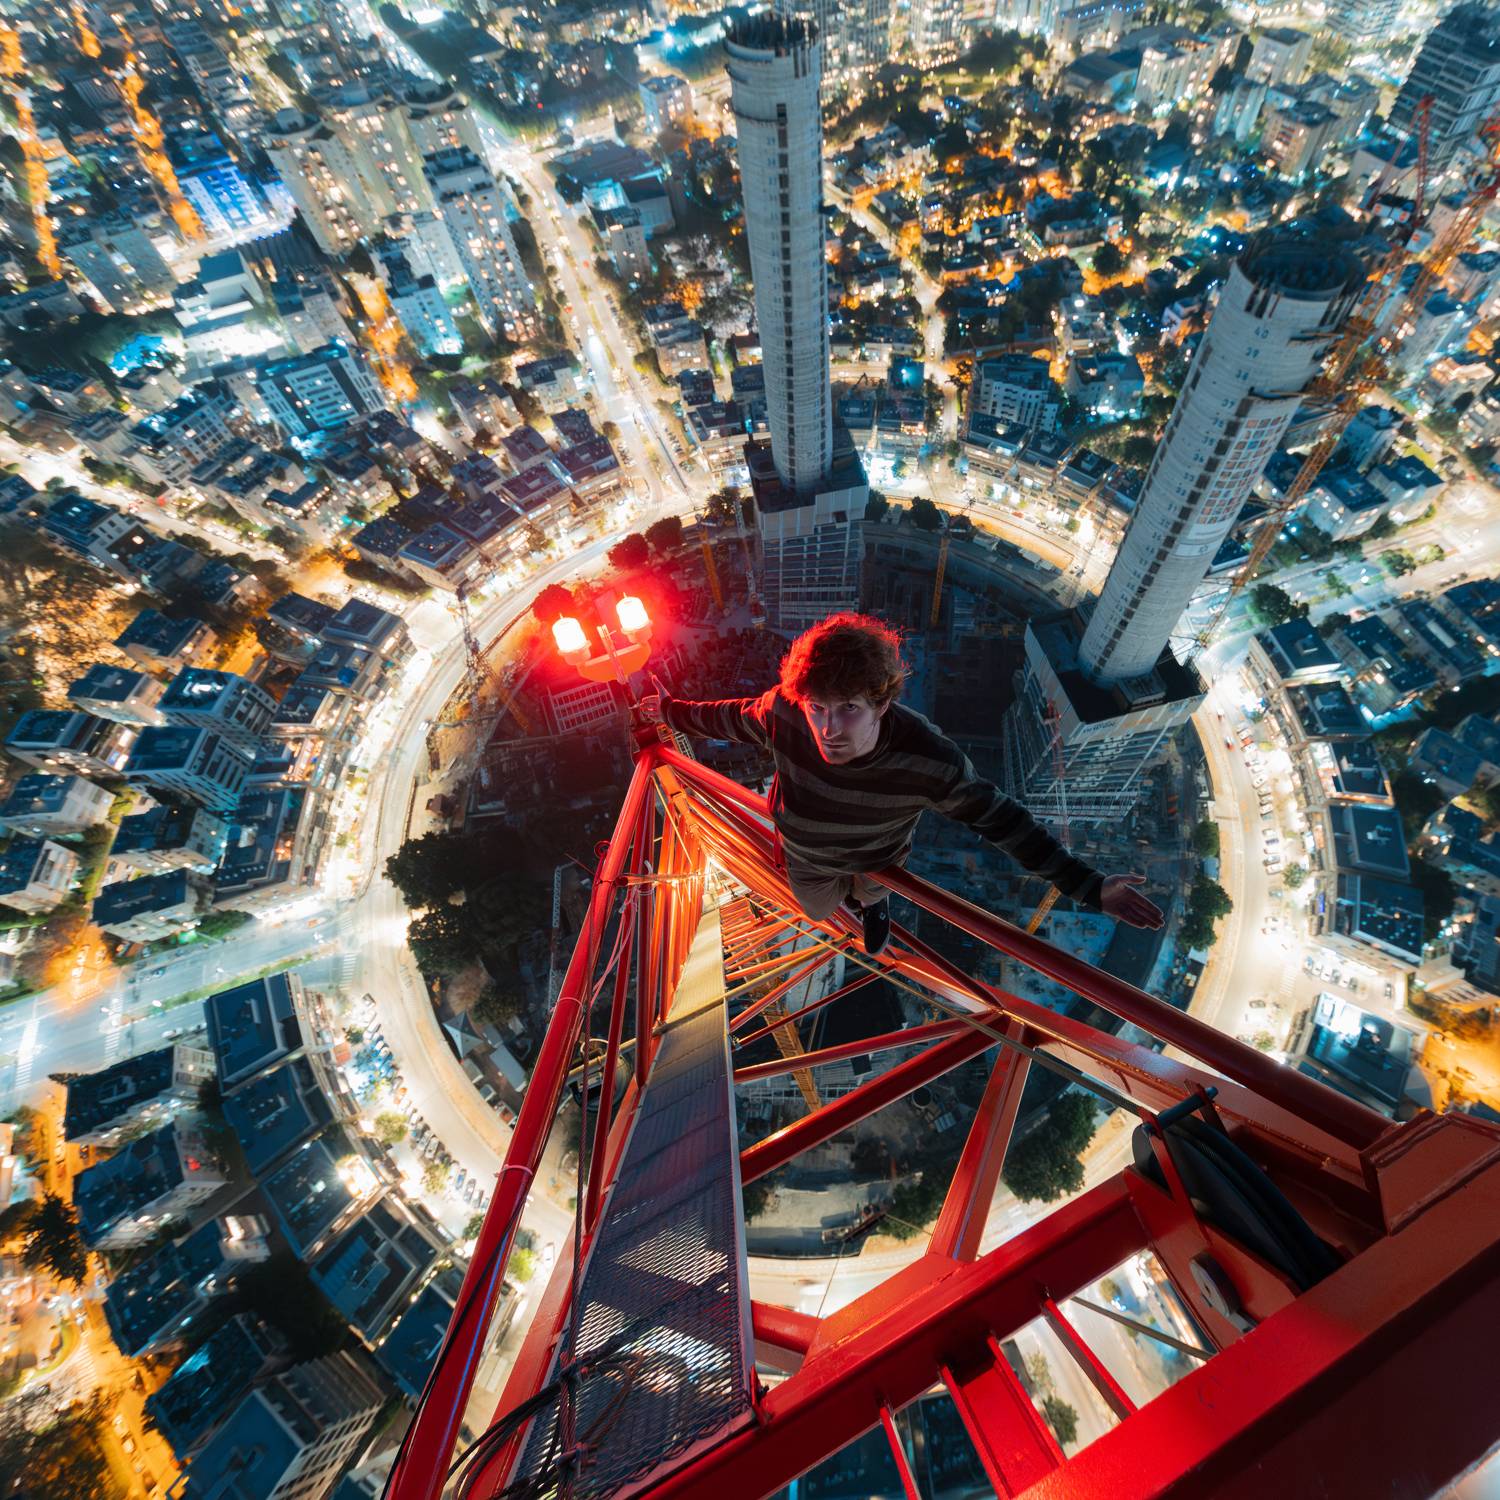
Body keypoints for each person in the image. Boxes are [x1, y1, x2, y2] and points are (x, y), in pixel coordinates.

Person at [640, 612, 1163, 956]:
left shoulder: (928, 759)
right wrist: (666, 710)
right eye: (818, 708)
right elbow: (728, 718)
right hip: (808, 857)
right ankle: (866, 901)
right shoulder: (786, 712)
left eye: (848, 709)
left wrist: (1088, 886)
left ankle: (874, 904)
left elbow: (1004, 822)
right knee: (819, 909)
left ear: (882, 704)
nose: (827, 728)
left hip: (877, 856)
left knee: (870, 888)